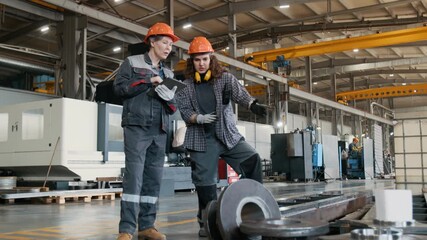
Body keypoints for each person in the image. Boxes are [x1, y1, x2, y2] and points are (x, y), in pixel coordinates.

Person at [175, 36, 267, 237]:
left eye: (204, 59)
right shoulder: (185, 86)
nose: (201, 64)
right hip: (202, 140)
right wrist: (198, 118)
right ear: (192, 61)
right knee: (205, 183)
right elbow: (184, 111)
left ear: (211, 59)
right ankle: (206, 221)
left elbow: (240, 94)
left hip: (227, 136)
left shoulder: (224, 78)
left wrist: (253, 105)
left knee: (253, 160)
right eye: (197, 60)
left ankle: (254, 208)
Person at [113, 22, 180, 240]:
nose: (168, 47)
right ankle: (126, 229)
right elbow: (120, 89)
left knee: (153, 179)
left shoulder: (168, 72)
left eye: (170, 44)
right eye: (164, 42)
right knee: (134, 178)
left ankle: (147, 225)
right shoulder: (132, 63)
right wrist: (148, 80)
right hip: (137, 127)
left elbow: (173, 107)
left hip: (159, 130)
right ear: (152, 42)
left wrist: (170, 99)